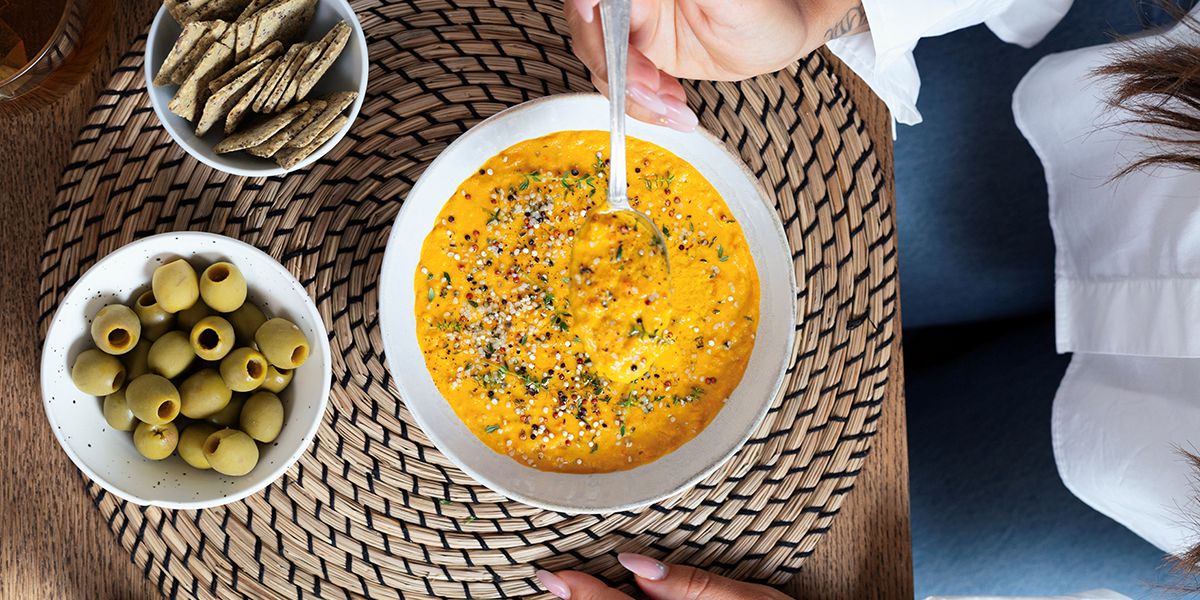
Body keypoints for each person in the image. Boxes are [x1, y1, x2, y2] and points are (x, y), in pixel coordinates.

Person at [541, 0, 1200, 599]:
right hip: (1153, 108)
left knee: (807, 553)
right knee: (796, 185)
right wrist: (827, 10)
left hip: (1149, 509)